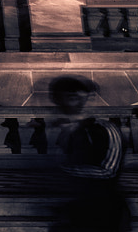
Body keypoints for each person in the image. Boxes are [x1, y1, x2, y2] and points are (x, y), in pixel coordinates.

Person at [46, 75, 130, 232]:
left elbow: (108, 170)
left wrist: (62, 171)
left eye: (73, 97)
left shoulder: (105, 129)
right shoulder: (64, 130)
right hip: (76, 209)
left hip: (103, 210)